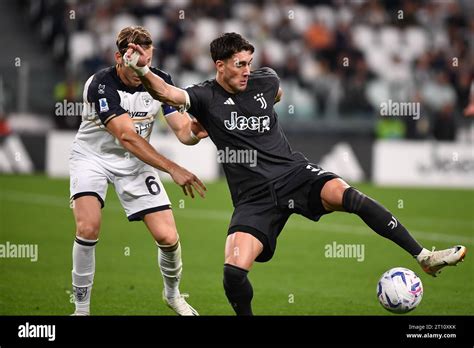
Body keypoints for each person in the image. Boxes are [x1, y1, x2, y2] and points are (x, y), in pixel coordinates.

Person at [124, 32, 467, 315]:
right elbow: (166, 93)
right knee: (233, 273)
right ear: (220, 66)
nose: (247, 70)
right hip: (253, 198)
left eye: (249, 63)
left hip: (295, 174)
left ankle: (424, 256)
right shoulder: (203, 96)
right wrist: (141, 70)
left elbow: (276, 93)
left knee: (350, 196)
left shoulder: (265, 80)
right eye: (239, 65)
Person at [69, 26, 207, 316]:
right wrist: (172, 168)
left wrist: (195, 132)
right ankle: (81, 311)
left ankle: (173, 296)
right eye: (136, 60)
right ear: (120, 57)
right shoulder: (101, 85)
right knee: (88, 227)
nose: (142, 66)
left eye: (147, 59)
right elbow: (128, 137)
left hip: (135, 163)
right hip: (93, 157)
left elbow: (182, 131)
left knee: (168, 237)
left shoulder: (160, 82)